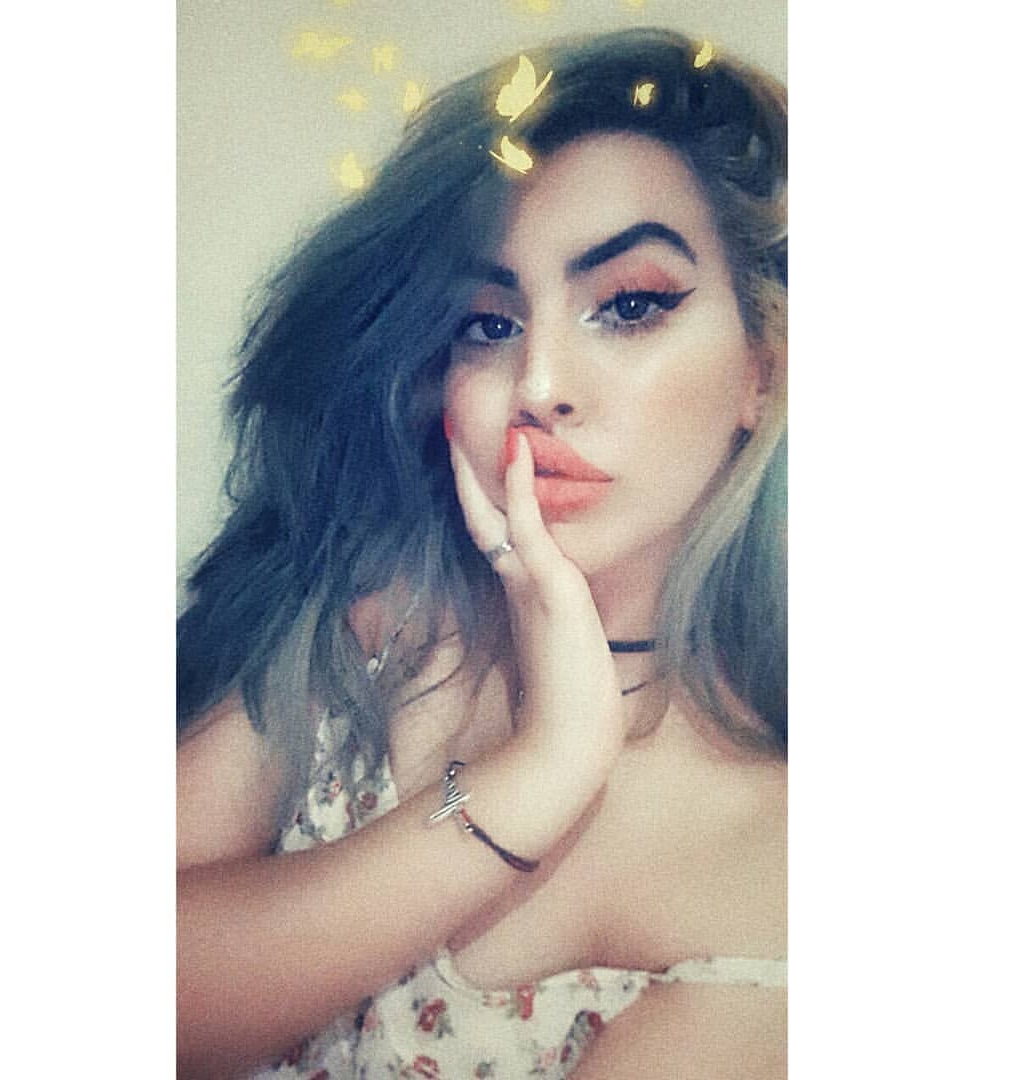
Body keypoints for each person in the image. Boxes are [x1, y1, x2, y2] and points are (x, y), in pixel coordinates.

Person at [177, 26, 787, 1079]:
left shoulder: (783, 874)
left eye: (629, 305)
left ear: (760, 371)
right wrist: (531, 775)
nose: (539, 384)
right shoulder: (376, 624)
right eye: (489, 324)